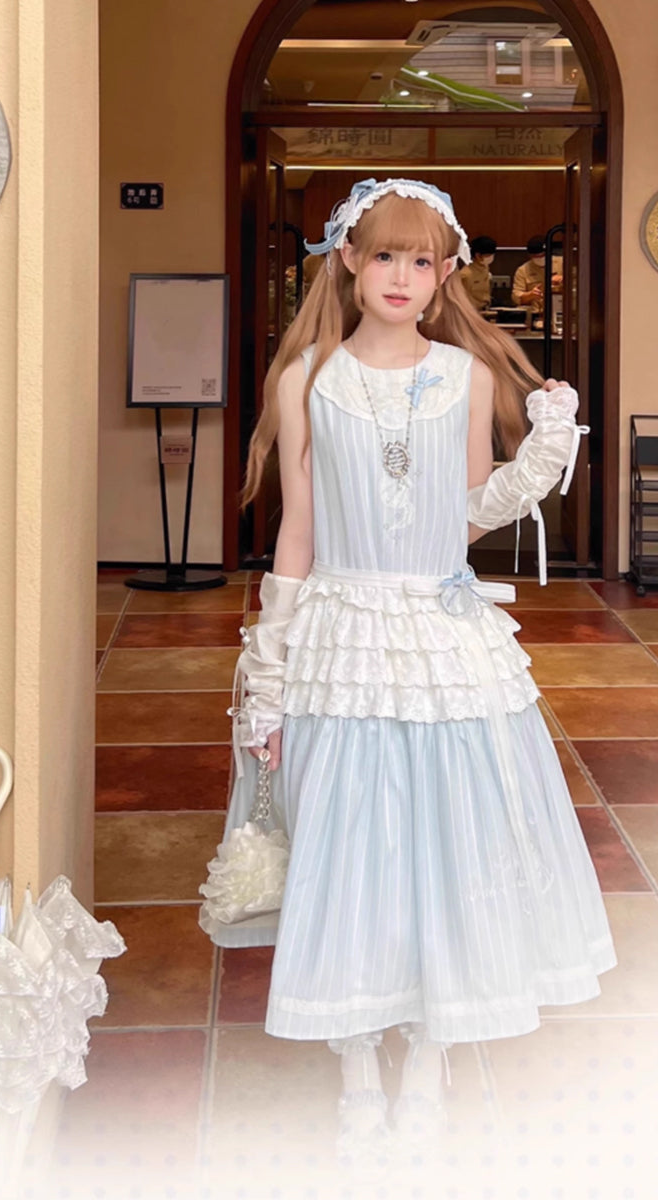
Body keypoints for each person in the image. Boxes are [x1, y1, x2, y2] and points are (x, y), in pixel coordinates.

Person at [205, 179, 615, 1176]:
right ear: (347, 259)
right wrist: (268, 675)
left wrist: (543, 452)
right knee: (346, 848)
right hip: (340, 640)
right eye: (383, 254)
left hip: (443, 640)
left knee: (445, 849)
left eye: (421, 260)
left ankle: (427, 1067)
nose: (400, 276)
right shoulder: (306, 377)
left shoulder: (467, 375)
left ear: (443, 275)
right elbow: (296, 535)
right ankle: (357, 1073)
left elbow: (467, 513)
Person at [512, 234, 563, 311]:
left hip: (560, 310)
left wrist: (563, 279)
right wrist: (530, 295)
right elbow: (516, 297)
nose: (539, 259)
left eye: (542, 256)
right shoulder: (523, 270)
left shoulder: (562, 263)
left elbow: (578, 285)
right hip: (536, 311)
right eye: (535, 256)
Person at [459, 234, 497, 310]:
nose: (491, 257)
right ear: (478, 255)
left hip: (486, 309)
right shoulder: (465, 274)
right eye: (488, 255)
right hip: (470, 311)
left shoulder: (485, 268)